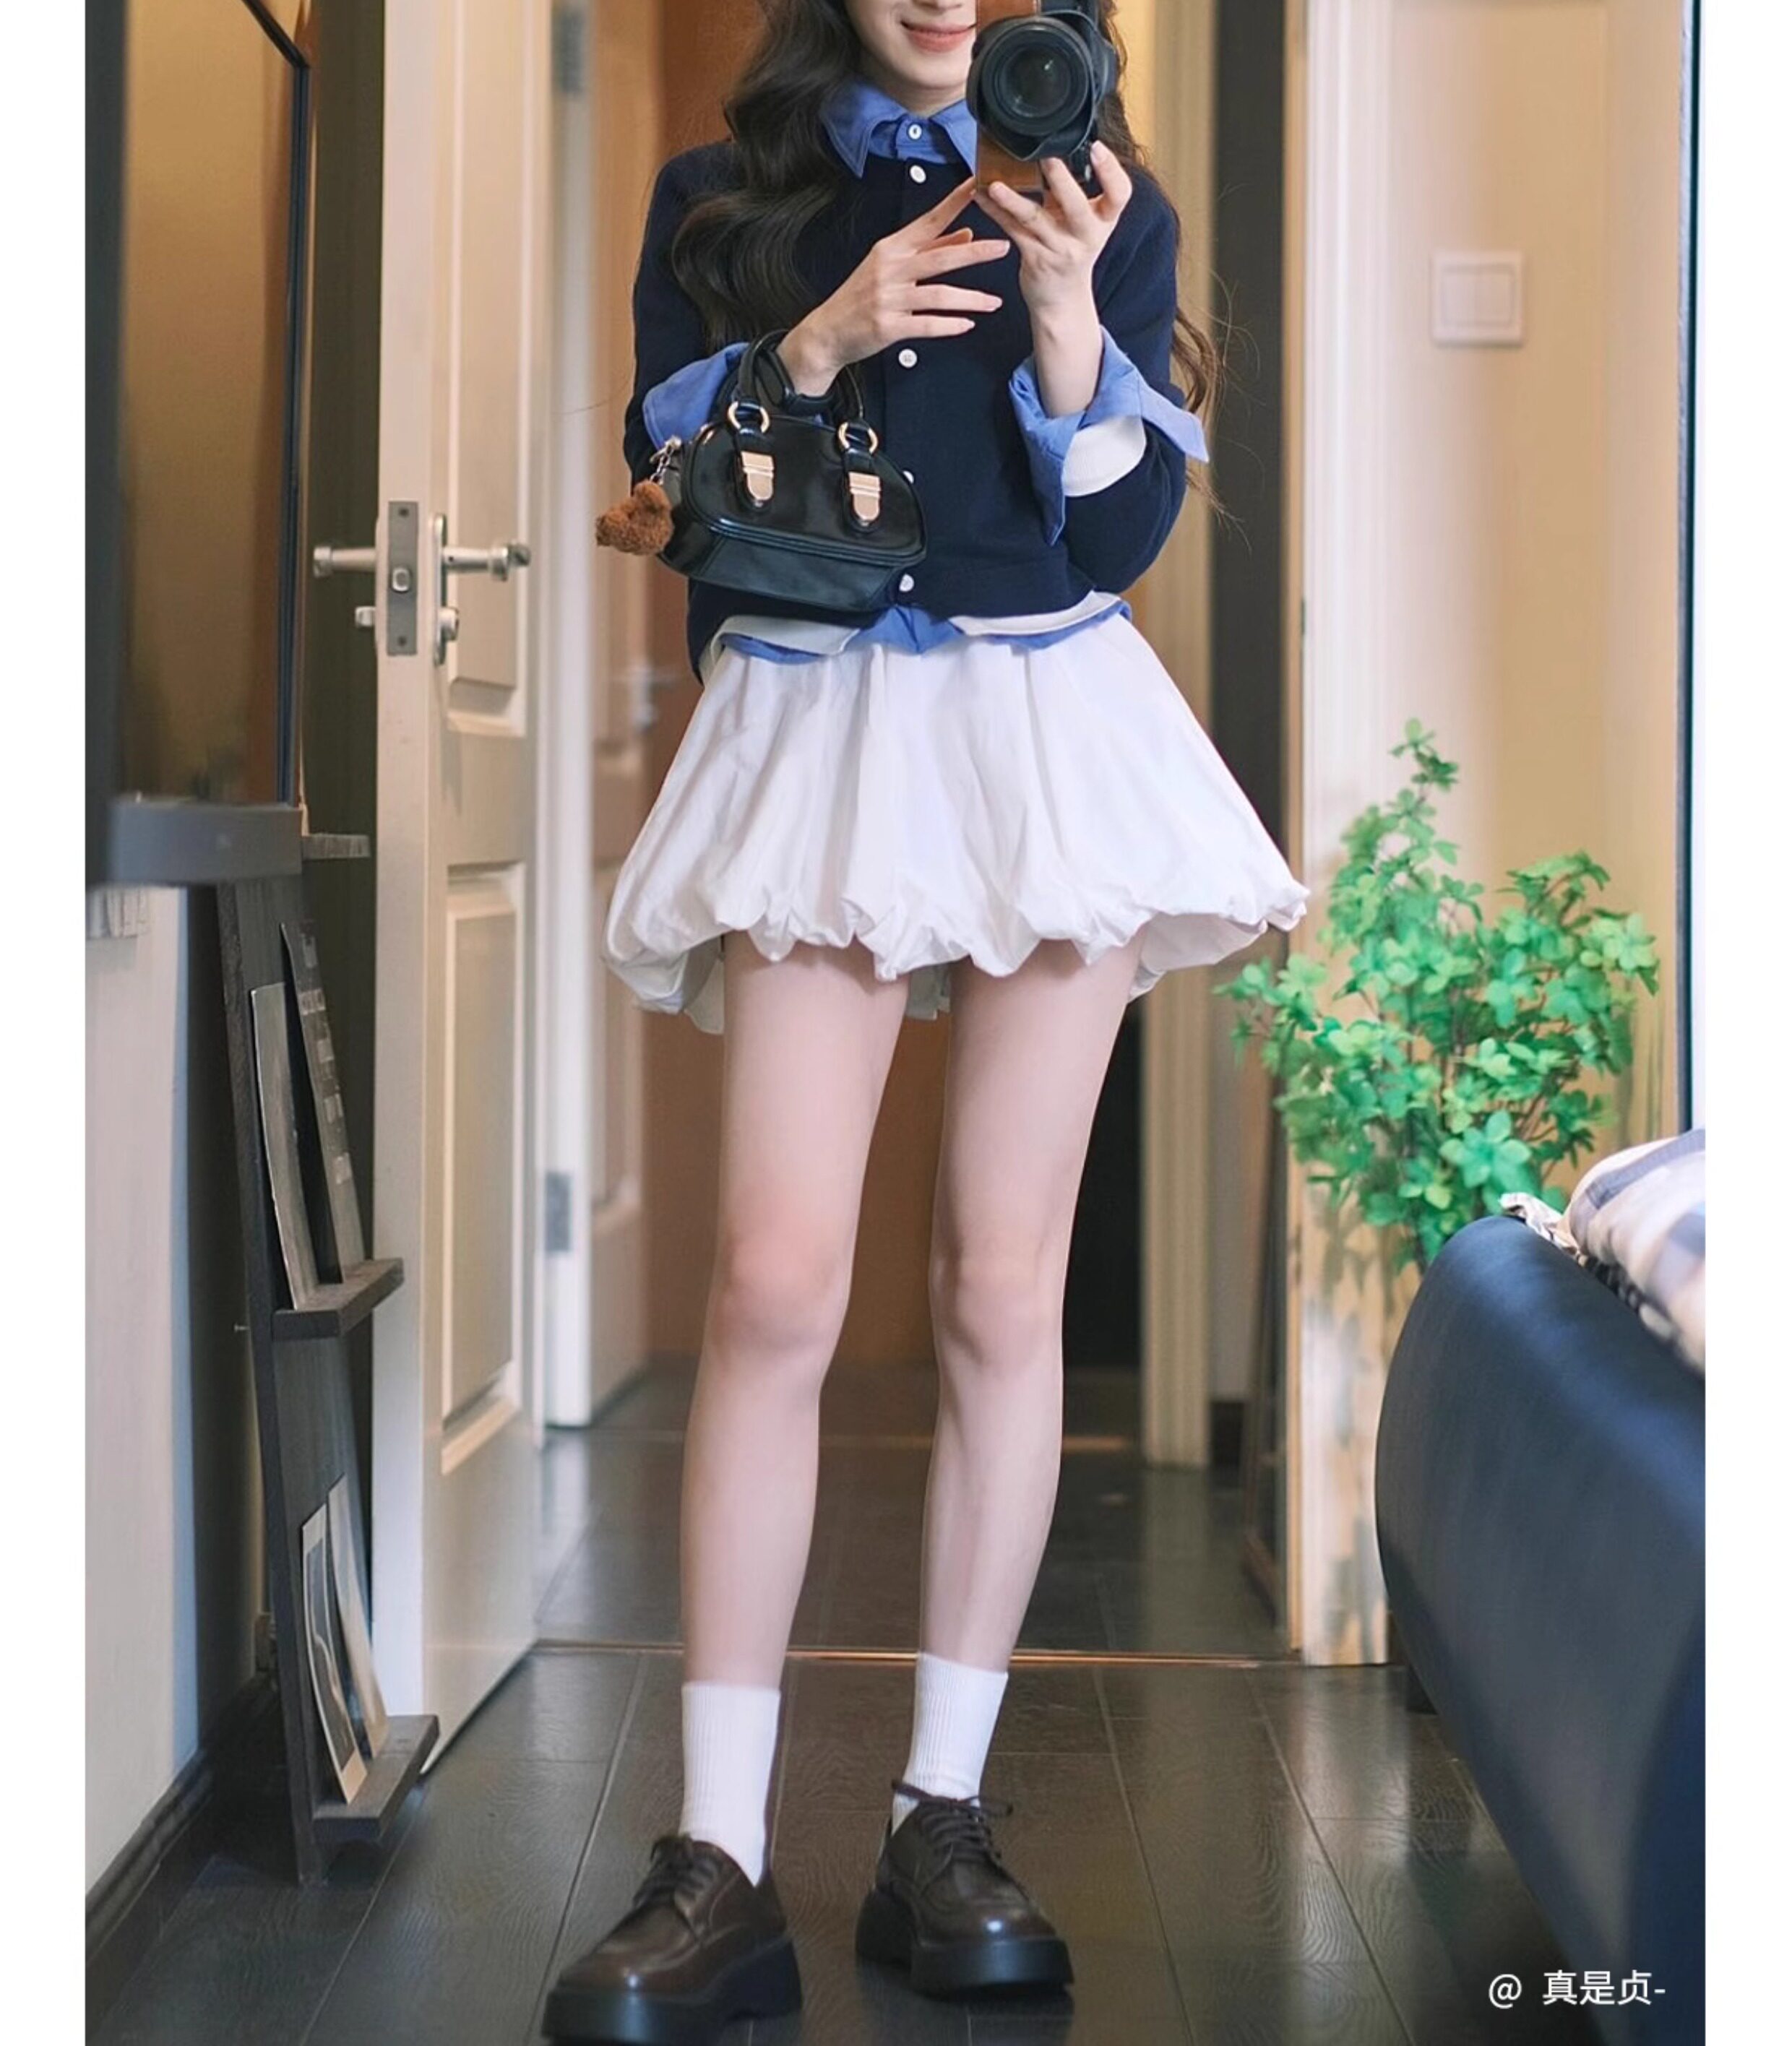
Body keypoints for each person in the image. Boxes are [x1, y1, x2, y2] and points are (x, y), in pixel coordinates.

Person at [544, 4, 1308, 2040]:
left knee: (998, 1281)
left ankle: (940, 1819)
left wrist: (1064, 312)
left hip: (1048, 730)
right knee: (776, 1279)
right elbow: (673, 506)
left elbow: (1119, 540)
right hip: (819, 722)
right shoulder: (721, 200)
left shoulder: (1105, 197)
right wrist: (820, 336)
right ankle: (715, 1855)